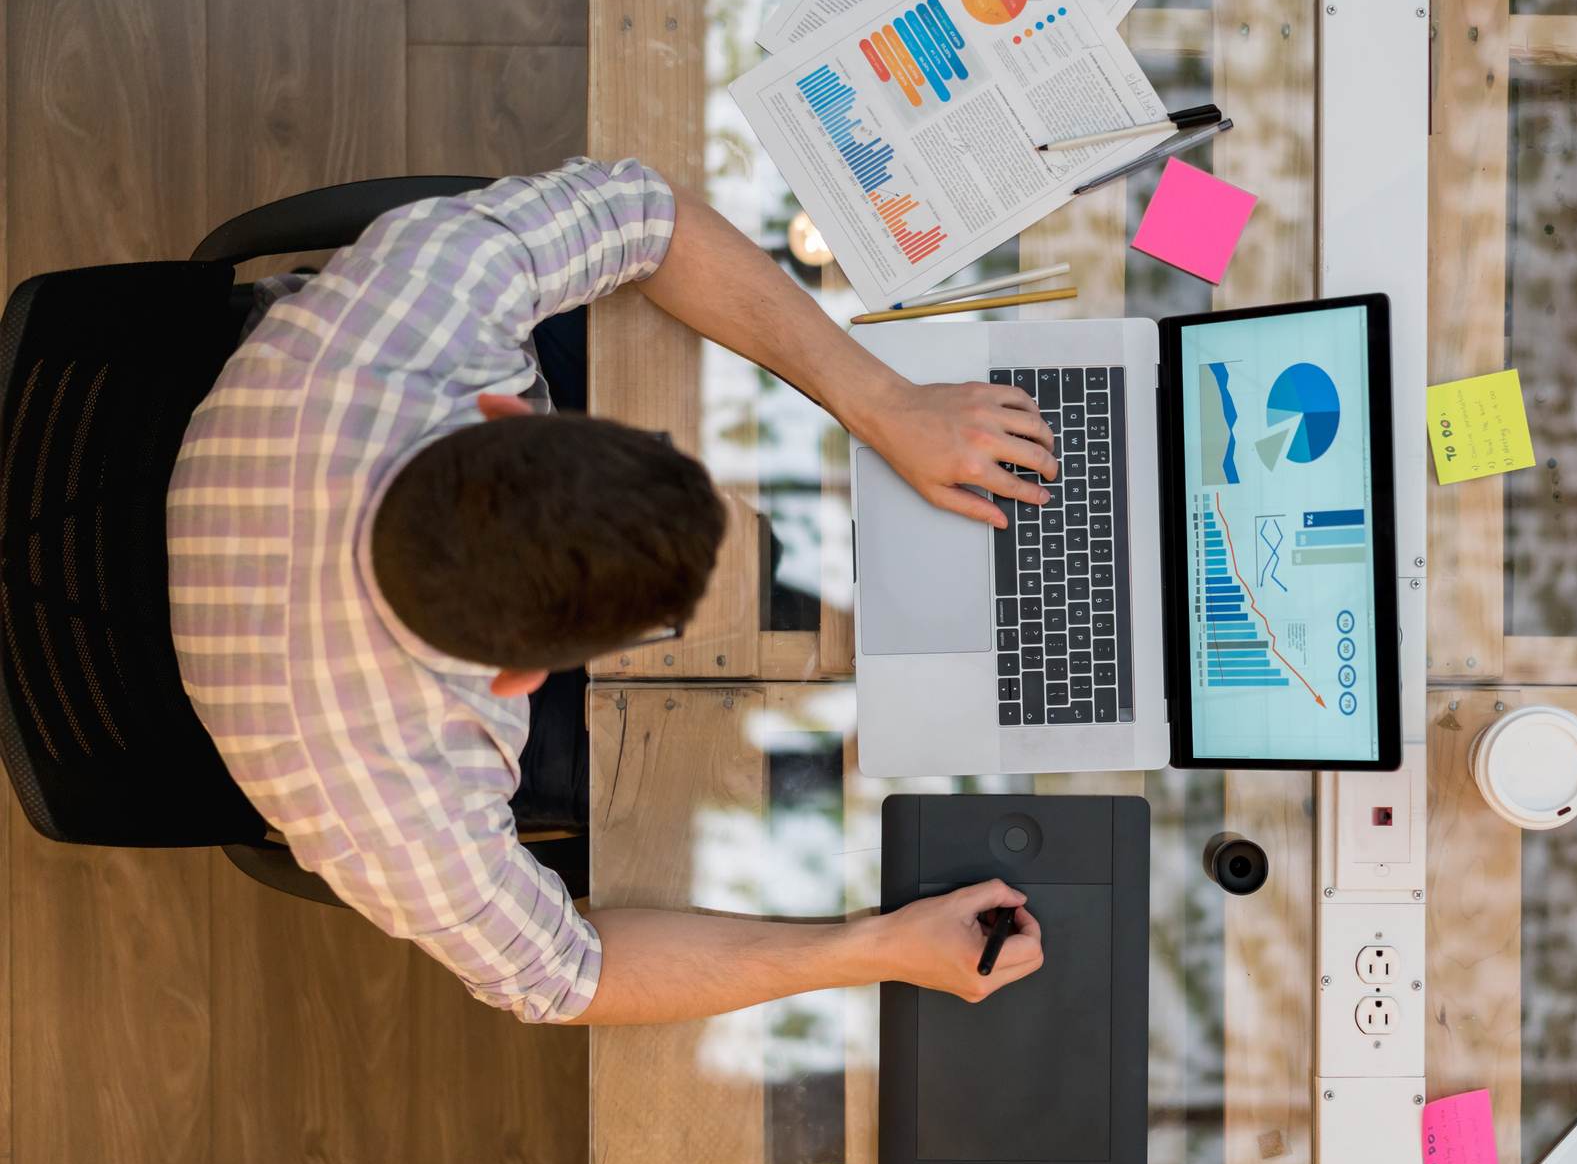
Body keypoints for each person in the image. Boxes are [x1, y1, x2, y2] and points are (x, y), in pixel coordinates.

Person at [168, 158, 1051, 1025]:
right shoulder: (401, 806)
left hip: (294, 471)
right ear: (519, 680)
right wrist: (871, 949)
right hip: (307, 699)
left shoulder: (427, 298)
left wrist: (882, 400)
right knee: (770, 789)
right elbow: (560, 980)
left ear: (503, 413)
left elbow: (646, 214)